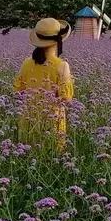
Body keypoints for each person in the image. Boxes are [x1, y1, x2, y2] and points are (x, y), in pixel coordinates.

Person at [14, 17, 74, 151]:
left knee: (28, 156)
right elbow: (66, 99)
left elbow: (18, 92)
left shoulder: (26, 63)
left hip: (28, 121)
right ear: (58, 41)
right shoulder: (62, 66)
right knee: (51, 155)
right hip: (52, 122)